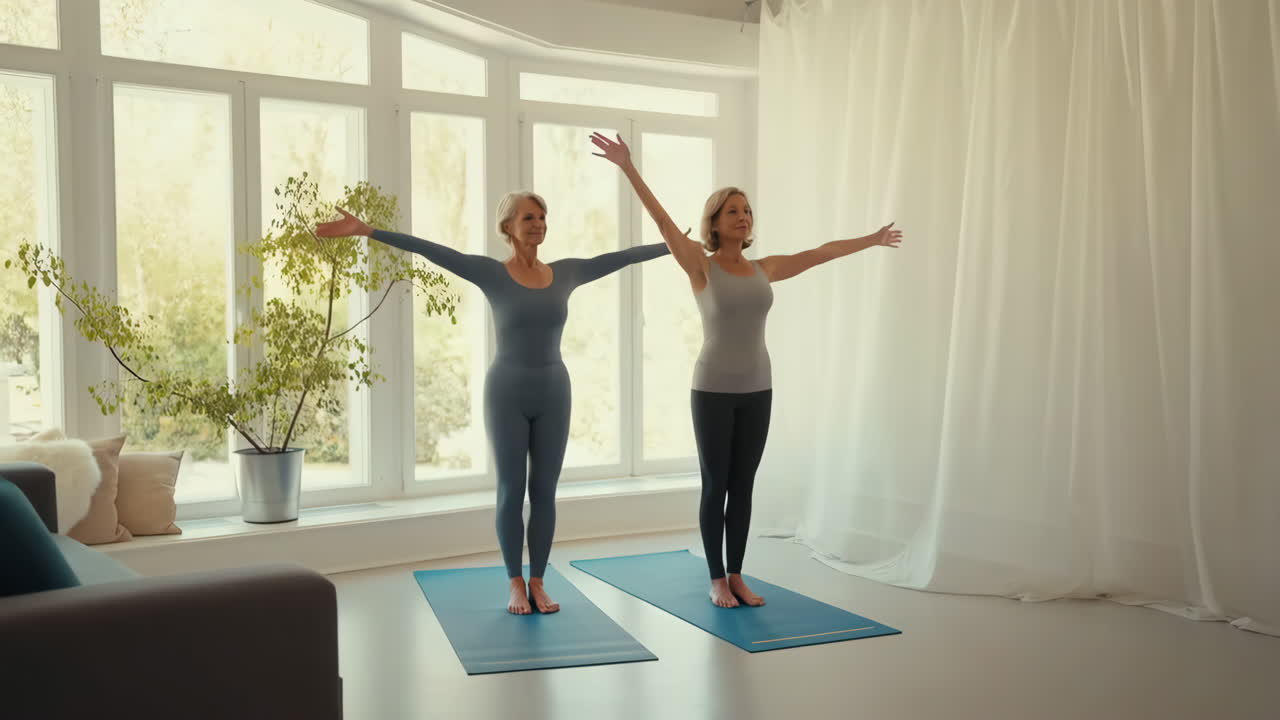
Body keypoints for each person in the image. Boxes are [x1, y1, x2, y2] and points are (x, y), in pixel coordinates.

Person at [315, 192, 670, 614]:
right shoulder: (491, 273)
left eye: (542, 216)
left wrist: (676, 246)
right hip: (506, 392)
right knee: (511, 490)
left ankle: (539, 580)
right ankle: (514, 583)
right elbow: (432, 250)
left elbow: (622, 257)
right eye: (528, 217)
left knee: (544, 491)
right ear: (507, 227)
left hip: (555, 390)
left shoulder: (566, 272)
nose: (538, 224)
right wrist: (368, 231)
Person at [590, 132, 903, 608]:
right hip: (713, 388)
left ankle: (737, 574)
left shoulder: (765, 268)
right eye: (733, 210)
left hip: (759, 388)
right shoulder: (700, 265)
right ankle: (715, 577)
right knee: (716, 483)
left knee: (744, 485)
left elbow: (822, 252)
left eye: (748, 210)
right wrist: (628, 167)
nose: (743, 216)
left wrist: (873, 239)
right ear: (714, 221)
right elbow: (661, 219)